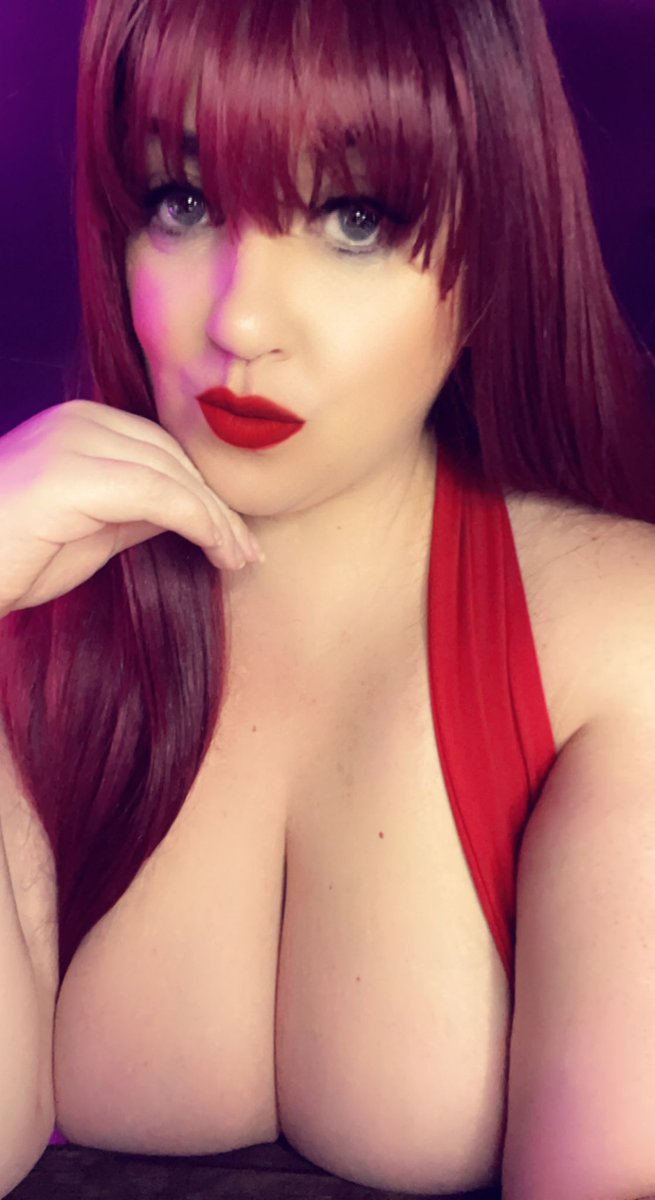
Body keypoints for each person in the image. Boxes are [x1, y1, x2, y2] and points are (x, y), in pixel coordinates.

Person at [1, 0, 655, 1196]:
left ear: (494, 247)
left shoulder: (614, 649)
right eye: (181, 201)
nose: (241, 321)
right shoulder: (31, 612)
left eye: (354, 217)